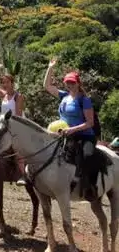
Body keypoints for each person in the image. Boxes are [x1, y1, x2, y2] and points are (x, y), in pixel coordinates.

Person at [43, 57, 97, 200]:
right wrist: (50, 67)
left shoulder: (84, 100)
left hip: (84, 135)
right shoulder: (64, 96)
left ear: (78, 83)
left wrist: (72, 130)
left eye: (72, 82)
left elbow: (90, 123)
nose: (69, 85)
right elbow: (47, 86)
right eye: (67, 82)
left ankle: (89, 187)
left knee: (87, 156)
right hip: (66, 134)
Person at [0, 63, 27, 186]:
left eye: (7, 82)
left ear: (12, 83)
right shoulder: (3, 95)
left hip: (16, 126)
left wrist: (11, 130)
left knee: (17, 148)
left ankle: (23, 175)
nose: (5, 84)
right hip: (4, 126)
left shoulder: (18, 96)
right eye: (3, 83)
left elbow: (18, 116)